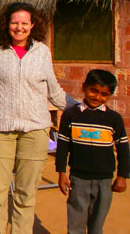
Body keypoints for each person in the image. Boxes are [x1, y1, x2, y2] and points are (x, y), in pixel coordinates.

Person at [0, 2, 76, 234]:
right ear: (6, 24)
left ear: (32, 25)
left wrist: (79, 107)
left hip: (35, 130)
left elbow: (53, 89)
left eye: (24, 23)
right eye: (14, 23)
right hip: (1, 131)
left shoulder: (42, 52)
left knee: (26, 194)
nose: (19, 28)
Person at [56, 69, 129, 234]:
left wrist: (123, 176)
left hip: (104, 180)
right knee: (76, 224)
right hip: (78, 179)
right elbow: (62, 146)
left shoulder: (114, 119)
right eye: (93, 91)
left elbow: (123, 149)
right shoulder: (71, 115)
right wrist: (61, 173)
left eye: (104, 94)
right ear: (84, 87)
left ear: (110, 95)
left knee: (97, 225)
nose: (97, 97)